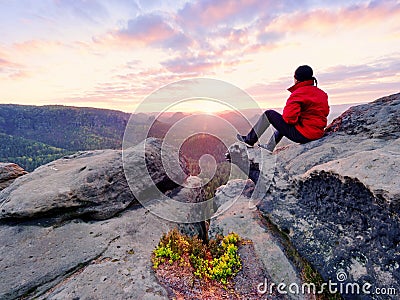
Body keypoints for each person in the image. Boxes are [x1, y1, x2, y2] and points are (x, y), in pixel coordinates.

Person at [237, 65, 329, 152]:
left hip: (303, 135)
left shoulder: (298, 93)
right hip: (318, 133)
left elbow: (289, 119)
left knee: (269, 114)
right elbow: (325, 112)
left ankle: (249, 140)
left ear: (296, 79)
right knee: (283, 120)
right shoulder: (322, 94)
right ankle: (269, 146)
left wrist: (295, 120)